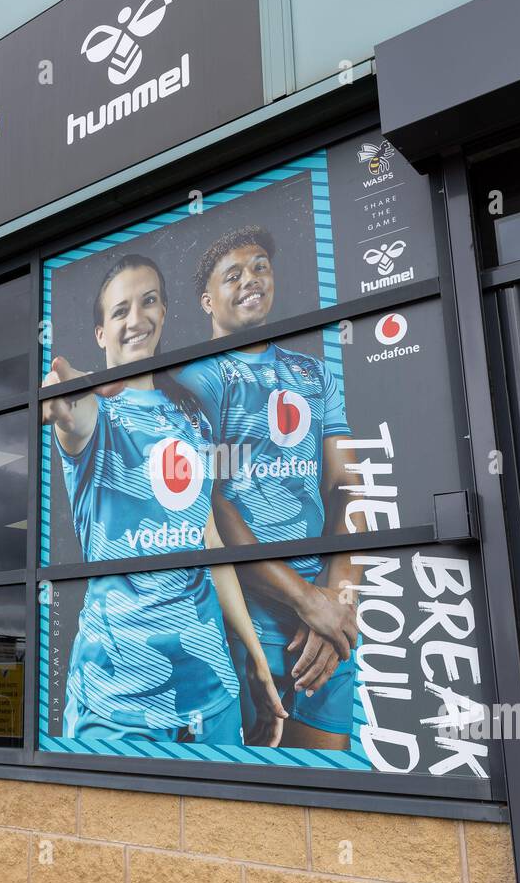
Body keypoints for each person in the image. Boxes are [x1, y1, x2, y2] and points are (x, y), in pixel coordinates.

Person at [44, 254, 281, 745]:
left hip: (212, 699)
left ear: (165, 312)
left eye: (149, 301)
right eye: (120, 311)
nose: (137, 319)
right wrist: (64, 396)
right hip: (116, 709)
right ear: (100, 334)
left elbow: (210, 542)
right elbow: (76, 413)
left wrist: (255, 660)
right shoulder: (99, 419)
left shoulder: (191, 416)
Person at [174, 225, 360, 750]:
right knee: (251, 802)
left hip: (324, 620)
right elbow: (207, 504)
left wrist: (337, 601)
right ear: (208, 300)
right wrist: (306, 601)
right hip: (243, 622)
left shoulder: (315, 376)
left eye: (259, 266)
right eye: (232, 275)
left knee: (328, 793)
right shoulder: (196, 381)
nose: (251, 279)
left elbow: (347, 488)